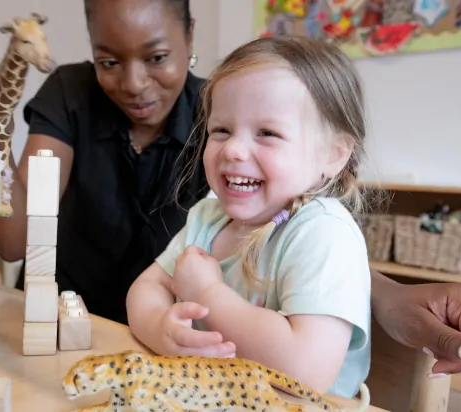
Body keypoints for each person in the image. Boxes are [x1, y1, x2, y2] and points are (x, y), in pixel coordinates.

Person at [0, 0, 461, 377]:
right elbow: (26, 241)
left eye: (158, 56)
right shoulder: (208, 206)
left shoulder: (243, 115)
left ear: (190, 36)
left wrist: (205, 294)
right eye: (108, 60)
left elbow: (296, 301)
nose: (134, 83)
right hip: (129, 350)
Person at [127, 35, 373, 397]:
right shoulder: (206, 219)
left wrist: (206, 293)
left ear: (334, 154)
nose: (234, 150)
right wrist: (162, 328)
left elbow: (306, 371)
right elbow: (145, 289)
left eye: (267, 133)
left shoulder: (323, 233)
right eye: (221, 130)